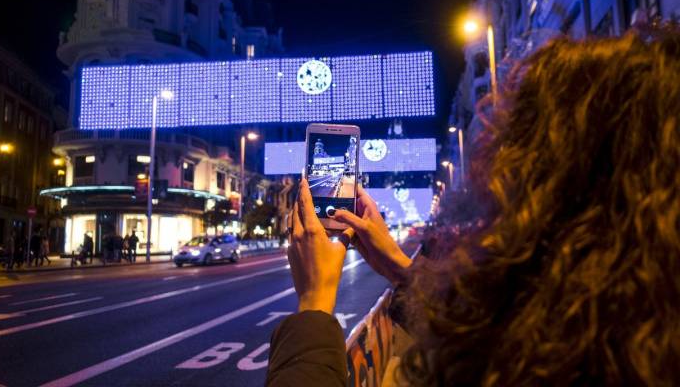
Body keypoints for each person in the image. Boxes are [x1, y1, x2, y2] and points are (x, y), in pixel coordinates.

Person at [266, 30, 680, 386]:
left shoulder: (558, 350)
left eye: (521, 148)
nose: (496, 167)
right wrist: (396, 264)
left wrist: (315, 305)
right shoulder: (625, 324)